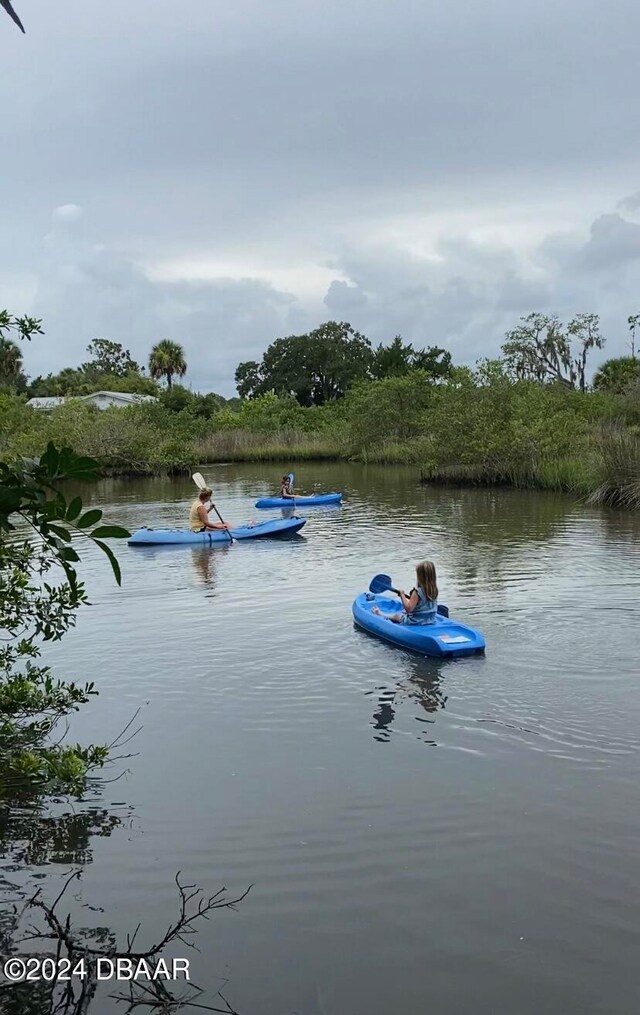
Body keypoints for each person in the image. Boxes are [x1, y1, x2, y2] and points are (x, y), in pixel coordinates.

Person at [372, 560, 438, 625]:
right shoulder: (434, 590)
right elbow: (423, 604)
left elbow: (408, 609)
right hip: (430, 620)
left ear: (420, 576)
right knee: (406, 605)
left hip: (416, 621)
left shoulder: (417, 592)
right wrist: (404, 598)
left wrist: (402, 595)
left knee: (397, 616)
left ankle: (380, 613)